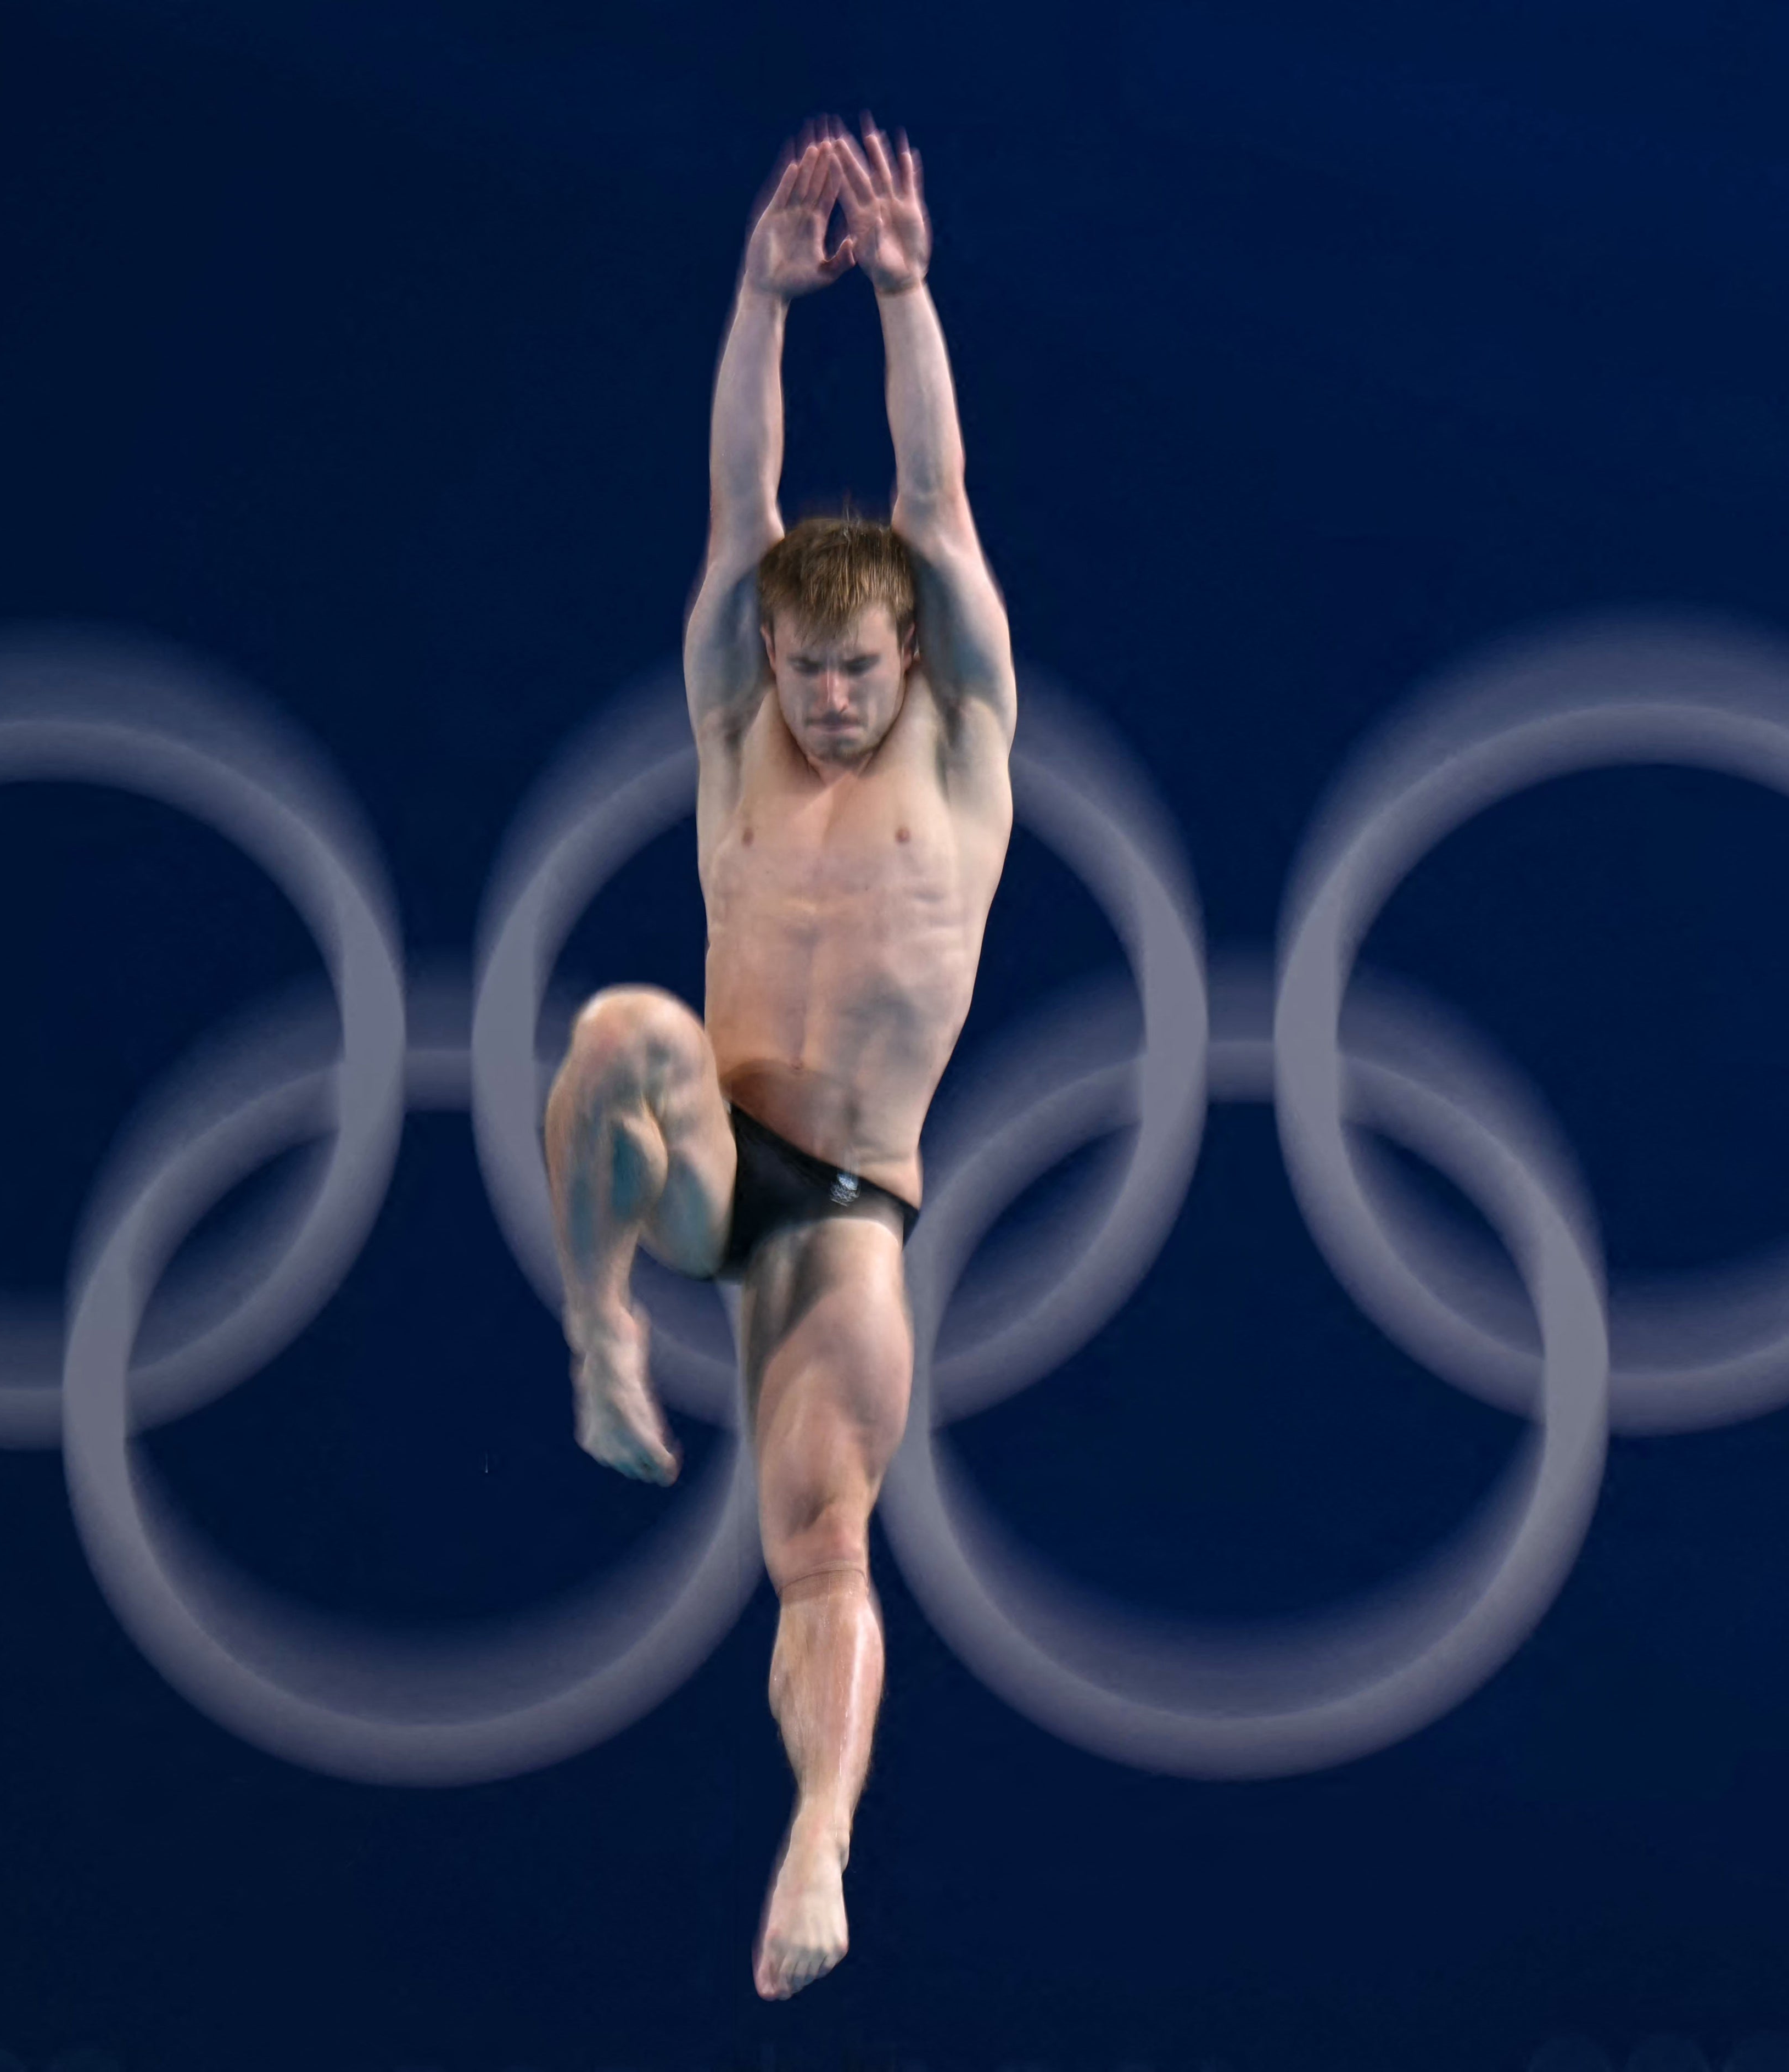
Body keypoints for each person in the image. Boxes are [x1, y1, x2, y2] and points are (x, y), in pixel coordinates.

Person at [540, 116, 1018, 2001]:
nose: (829, 703)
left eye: (859, 673)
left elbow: (941, 491)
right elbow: (739, 505)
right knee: (620, 1031)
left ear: (909, 662)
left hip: (850, 1210)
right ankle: (598, 1338)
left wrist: (902, 297)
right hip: (712, 1152)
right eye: (806, 671)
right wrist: (756, 296)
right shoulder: (736, 720)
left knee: (827, 1547)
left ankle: (815, 1851)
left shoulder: (961, 753)